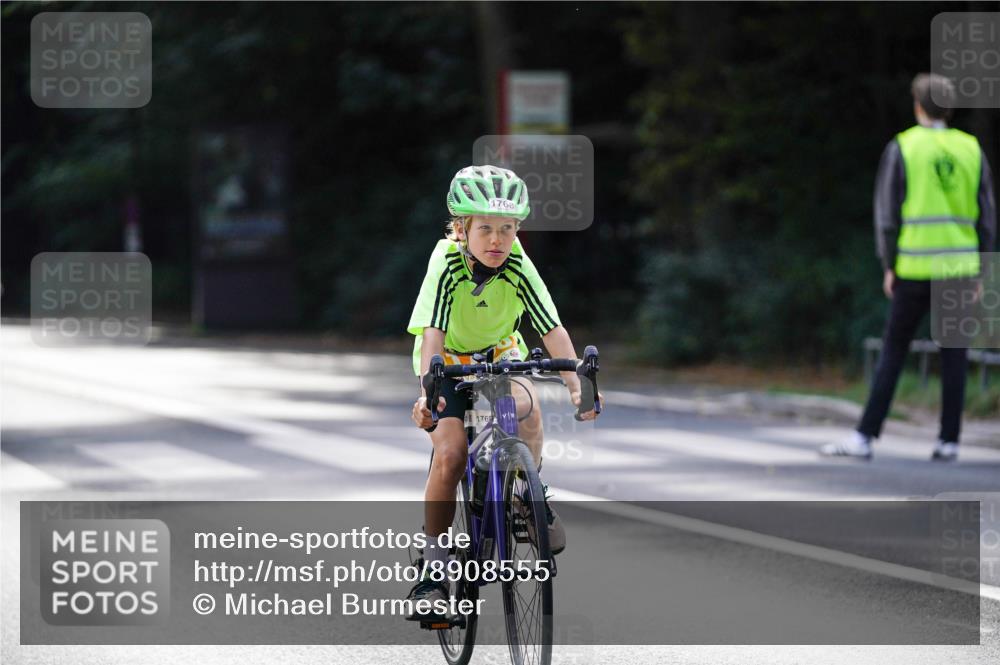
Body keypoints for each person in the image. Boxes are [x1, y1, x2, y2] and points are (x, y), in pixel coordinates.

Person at [404, 165, 603, 616]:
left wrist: (576, 386)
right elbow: (433, 333)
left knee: (526, 406)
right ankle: (432, 572)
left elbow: (551, 327)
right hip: (447, 357)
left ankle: (528, 493)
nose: (497, 240)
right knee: (452, 454)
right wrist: (430, 393)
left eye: (508, 229)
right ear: (462, 230)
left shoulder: (517, 264)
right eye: (486, 229)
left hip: (500, 350)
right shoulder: (446, 263)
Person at [822, 73, 996, 462]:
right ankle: (949, 441)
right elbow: (987, 217)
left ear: (918, 106)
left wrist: (889, 264)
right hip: (960, 268)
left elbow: (887, 215)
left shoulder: (903, 146)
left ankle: (865, 436)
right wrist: (983, 270)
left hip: (914, 268)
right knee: (954, 355)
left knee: (893, 351)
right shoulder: (971, 149)